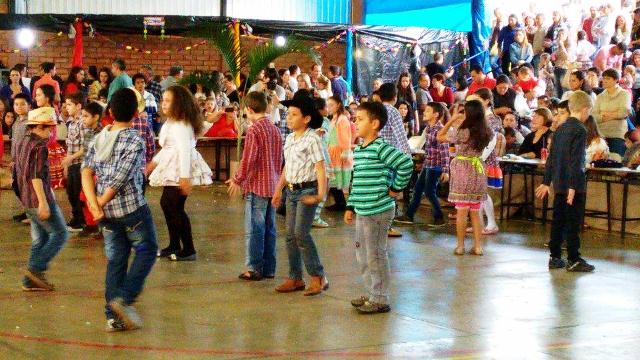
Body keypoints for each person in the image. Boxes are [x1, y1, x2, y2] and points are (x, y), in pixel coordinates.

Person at [81, 88, 158, 331]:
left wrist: (95, 206)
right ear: (136, 113)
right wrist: (99, 204)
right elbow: (119, 180)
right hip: (131, 211)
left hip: (106, 215)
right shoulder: (134, 139)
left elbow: (86, 170)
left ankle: (112, 317)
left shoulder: (100, 137)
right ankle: (123, 300)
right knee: (147, 250)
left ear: (110, 112)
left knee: (116, 260)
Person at [344, 101, 413, 314]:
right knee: (363, 254)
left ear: (375, 124)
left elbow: (405, 164)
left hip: (379, 210)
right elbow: (358, 180)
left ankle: (380, 297)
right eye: (355, 119)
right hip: (363, 210)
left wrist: (395, 188)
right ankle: (373, 291)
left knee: (375, 254)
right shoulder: (361, 150)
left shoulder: (381, 148)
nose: (355, 123)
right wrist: (350, 206)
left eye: (360, 119)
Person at [271, 95, 328, 296]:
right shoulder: (289, 138)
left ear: (306, 119)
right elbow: (287, 167)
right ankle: (295, 277)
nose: (289, 118)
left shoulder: (312, 138)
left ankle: (317, 276)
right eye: (288, 114)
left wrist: (320, 195)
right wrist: (278, 190)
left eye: (294, 115)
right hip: (292, 191)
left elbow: (320, 168)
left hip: (308, 190)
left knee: (301, 234)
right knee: (289, 237)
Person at [148, 86, 212, 261]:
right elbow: (169, 148)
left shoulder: (182, 124)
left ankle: (189, 249)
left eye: (168, 100)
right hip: (172, 166)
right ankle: (174, 244)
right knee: (167, 204)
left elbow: (184, 150)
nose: (164, 104)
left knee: (174, 206)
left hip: (180, 169)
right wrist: (153, 163)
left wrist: (185, 177)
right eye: (163, 100)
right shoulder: (171, 122)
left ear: (179, 103)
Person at [536, 90, 595, 273]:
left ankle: (555, 257)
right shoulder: (580, 129)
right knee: (573, 221)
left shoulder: (560, 128)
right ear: (585, 109)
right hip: (573, 185)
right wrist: (573, 186)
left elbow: (551, 157)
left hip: (559, 182)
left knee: (558, 219)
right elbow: (576, 160)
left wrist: (547, 181)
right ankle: (574, 258)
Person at [226, 92, 282, 281]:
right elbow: (280, 159)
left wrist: (237, 179)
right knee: (270, 229)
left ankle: (254, 267)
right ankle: (269, 268)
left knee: (255, 229)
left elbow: (249, 159)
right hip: (273, 186)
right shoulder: (275, 129)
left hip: (257, 187)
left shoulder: (254, 130)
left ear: (249, 110)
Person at [15, 106, 69, 291]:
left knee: (40, 239)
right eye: (49, 128)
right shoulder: (40, 147)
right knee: (60, 234)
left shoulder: (23, 141)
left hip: (26, 199)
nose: (51, 132)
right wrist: (43, 202)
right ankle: (35, 269)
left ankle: (29, 282)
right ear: (39, 127)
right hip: (38, 199)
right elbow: (36, 176)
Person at [437, 100, 492, 256]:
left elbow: (440, 136)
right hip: (478, 169)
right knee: (476, 211)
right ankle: (478, 246)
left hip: (462, 169)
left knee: (462, 211)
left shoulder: (463, 131)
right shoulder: (487, 130)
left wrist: (452, 120)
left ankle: (460, 246)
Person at [396, 102, 449, 227]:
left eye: (428, 111)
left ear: (436, 114)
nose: (424, 112)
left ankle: (439, 217)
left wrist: (445, 170)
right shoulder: (428, 128)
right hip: (428, 164)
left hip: (435, 166)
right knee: (418, 189)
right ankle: (409, 215)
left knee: (429, 191)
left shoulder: (440, 129)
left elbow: (445, 151)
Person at [379, 83, 411, 237]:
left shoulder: (375, 110)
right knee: (391, 193)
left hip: (375, 156)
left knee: (378, 190)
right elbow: (401, 136)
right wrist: (407, 157)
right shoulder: (393, 112)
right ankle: (387, 226)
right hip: (390, 158)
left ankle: (376, 225)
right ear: (394, 97)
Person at [61, 92, 87, 232]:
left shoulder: (83, 122)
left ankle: (81, 221)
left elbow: (86, 147)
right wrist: (67, 163)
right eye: (66, 105)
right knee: (70, 192)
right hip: (72, 164)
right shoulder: (71, 123)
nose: (67, 108)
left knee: (77, 193)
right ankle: (76, 218)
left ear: (78, 106)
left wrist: (70, 159)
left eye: (70, 105)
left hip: (80, 164)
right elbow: (70, 145)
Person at [77, 101, 103, 236]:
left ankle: (101, 226)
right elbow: (85, 151)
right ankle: (91, 224)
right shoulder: (88, 132)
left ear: (96, 117)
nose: (83, 119)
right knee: (84, 198)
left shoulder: (103, 134)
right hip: (87, 171)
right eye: (82, 116)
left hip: (96, 172)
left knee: (96, 198)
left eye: (86, 116)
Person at [593, 68, 632, 158]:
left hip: (617, 133)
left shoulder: (624, 94)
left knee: (616, 160)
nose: (604, 81)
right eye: (603, 78)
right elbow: (594, 115)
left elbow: (624, 112)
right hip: (601, 134)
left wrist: (604, 113)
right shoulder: (600, 96)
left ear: (616, 80)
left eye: (608, 78)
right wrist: (614, 114)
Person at [34, 85, 66, 189]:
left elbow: (46, 134)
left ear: (47, 97)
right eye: (36, 95)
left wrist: (30, 129)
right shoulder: (49, 110)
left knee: (44, 186)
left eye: (39, 95)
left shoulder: (47, 112)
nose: (36, 98)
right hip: (47, 147)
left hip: (46, 149)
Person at [325, 95, 353, 211]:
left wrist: (345, 153)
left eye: (331, 105)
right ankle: (340, 202)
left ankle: (341, 202)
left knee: (334, 179)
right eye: (328, 105)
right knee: (333, 180)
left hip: (338, 152)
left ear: (339, 105)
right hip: (332, 151)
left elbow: (345, 138)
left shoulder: (342, 119)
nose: (329, 107)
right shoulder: (335, 118)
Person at [9, 93, 31, 223]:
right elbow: (14, 142)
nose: (19, 107)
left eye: (23, 104)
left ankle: (32, 213)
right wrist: (13, 159)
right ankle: (28, 211)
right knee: (17, 186)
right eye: (16, 104)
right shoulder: (16, 121)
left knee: (26, 187)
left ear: (29, 105)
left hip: (26, 161)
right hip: (16, 161)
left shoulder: (31, 121)